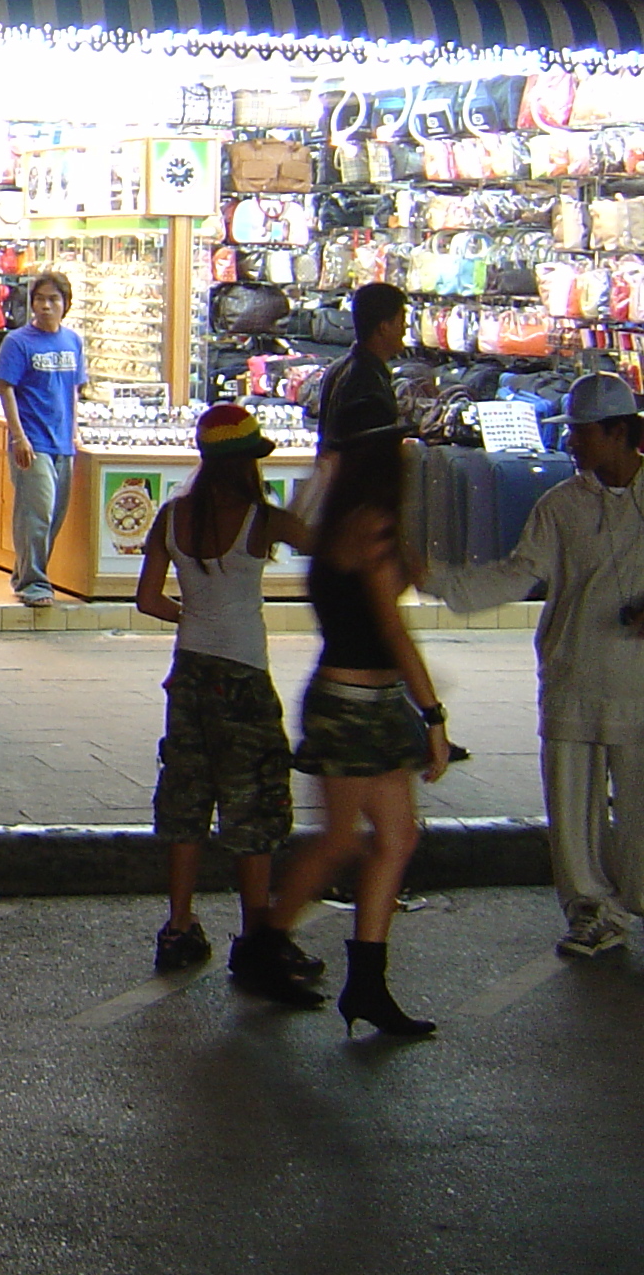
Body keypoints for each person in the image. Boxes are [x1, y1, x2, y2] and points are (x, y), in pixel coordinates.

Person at [232, 429, 450, 1032]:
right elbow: (392, 626)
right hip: (360, 702)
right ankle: (267, 949)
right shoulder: (373, 528)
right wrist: (432, 715)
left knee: (393, 836)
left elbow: (375, 594)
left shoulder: (340, 523)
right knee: (343, 840)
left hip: (349, 695)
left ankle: (362, 982)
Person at [425, 373, 644, 959]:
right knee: (572, 804)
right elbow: (521, 572)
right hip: (572, 674)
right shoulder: (562, 505)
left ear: (618, 433)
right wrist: (445, 585)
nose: (571, 443)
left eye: (581, 432)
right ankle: (590, 911)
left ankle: (631, 900)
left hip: (638, 684)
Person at [132, 405, 316, 977]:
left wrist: (192, 616)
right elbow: (327, 546)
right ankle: (258, 936)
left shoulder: (171, 515)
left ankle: (179, 926)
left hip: (187, 675)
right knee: (253, 806)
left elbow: (147, 599)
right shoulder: (262, 519)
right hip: (244, 677)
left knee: (186, 801)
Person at [0, 270, 87, 610]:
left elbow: (74, 389)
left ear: (65, 305)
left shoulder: (73, 341)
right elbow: (6, 387)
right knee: (37, 511)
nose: (46, 306)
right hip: (31, 441)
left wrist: (73, 431)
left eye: (53, 299)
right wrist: (18, 437)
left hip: (62, 442)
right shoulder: (18, 342)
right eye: (40, 299)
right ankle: (34, 582)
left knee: (56, 513)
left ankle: (25, 574)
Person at [310, 282, 406, 452]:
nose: (404, 330)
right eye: (401, 322)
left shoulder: (339, 367)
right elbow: (366, 454)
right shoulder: (366, 380)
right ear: (384, 327)